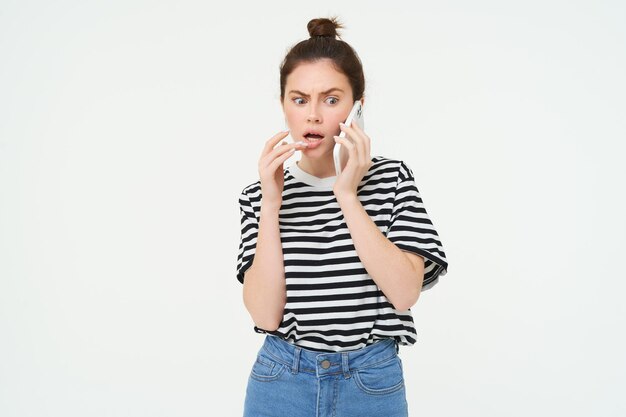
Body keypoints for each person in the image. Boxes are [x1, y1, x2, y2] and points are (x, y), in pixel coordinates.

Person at [236, 16, 449, 417]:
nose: (313, 115)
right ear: (284, 106)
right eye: (299, 99)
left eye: (331, 100)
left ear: (357, 108)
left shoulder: (392, 179)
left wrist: (347, 194)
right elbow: (265, 315)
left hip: (371, 382)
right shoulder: (259, 195)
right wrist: (270, 203)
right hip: (281, 381)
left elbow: (405, 294)